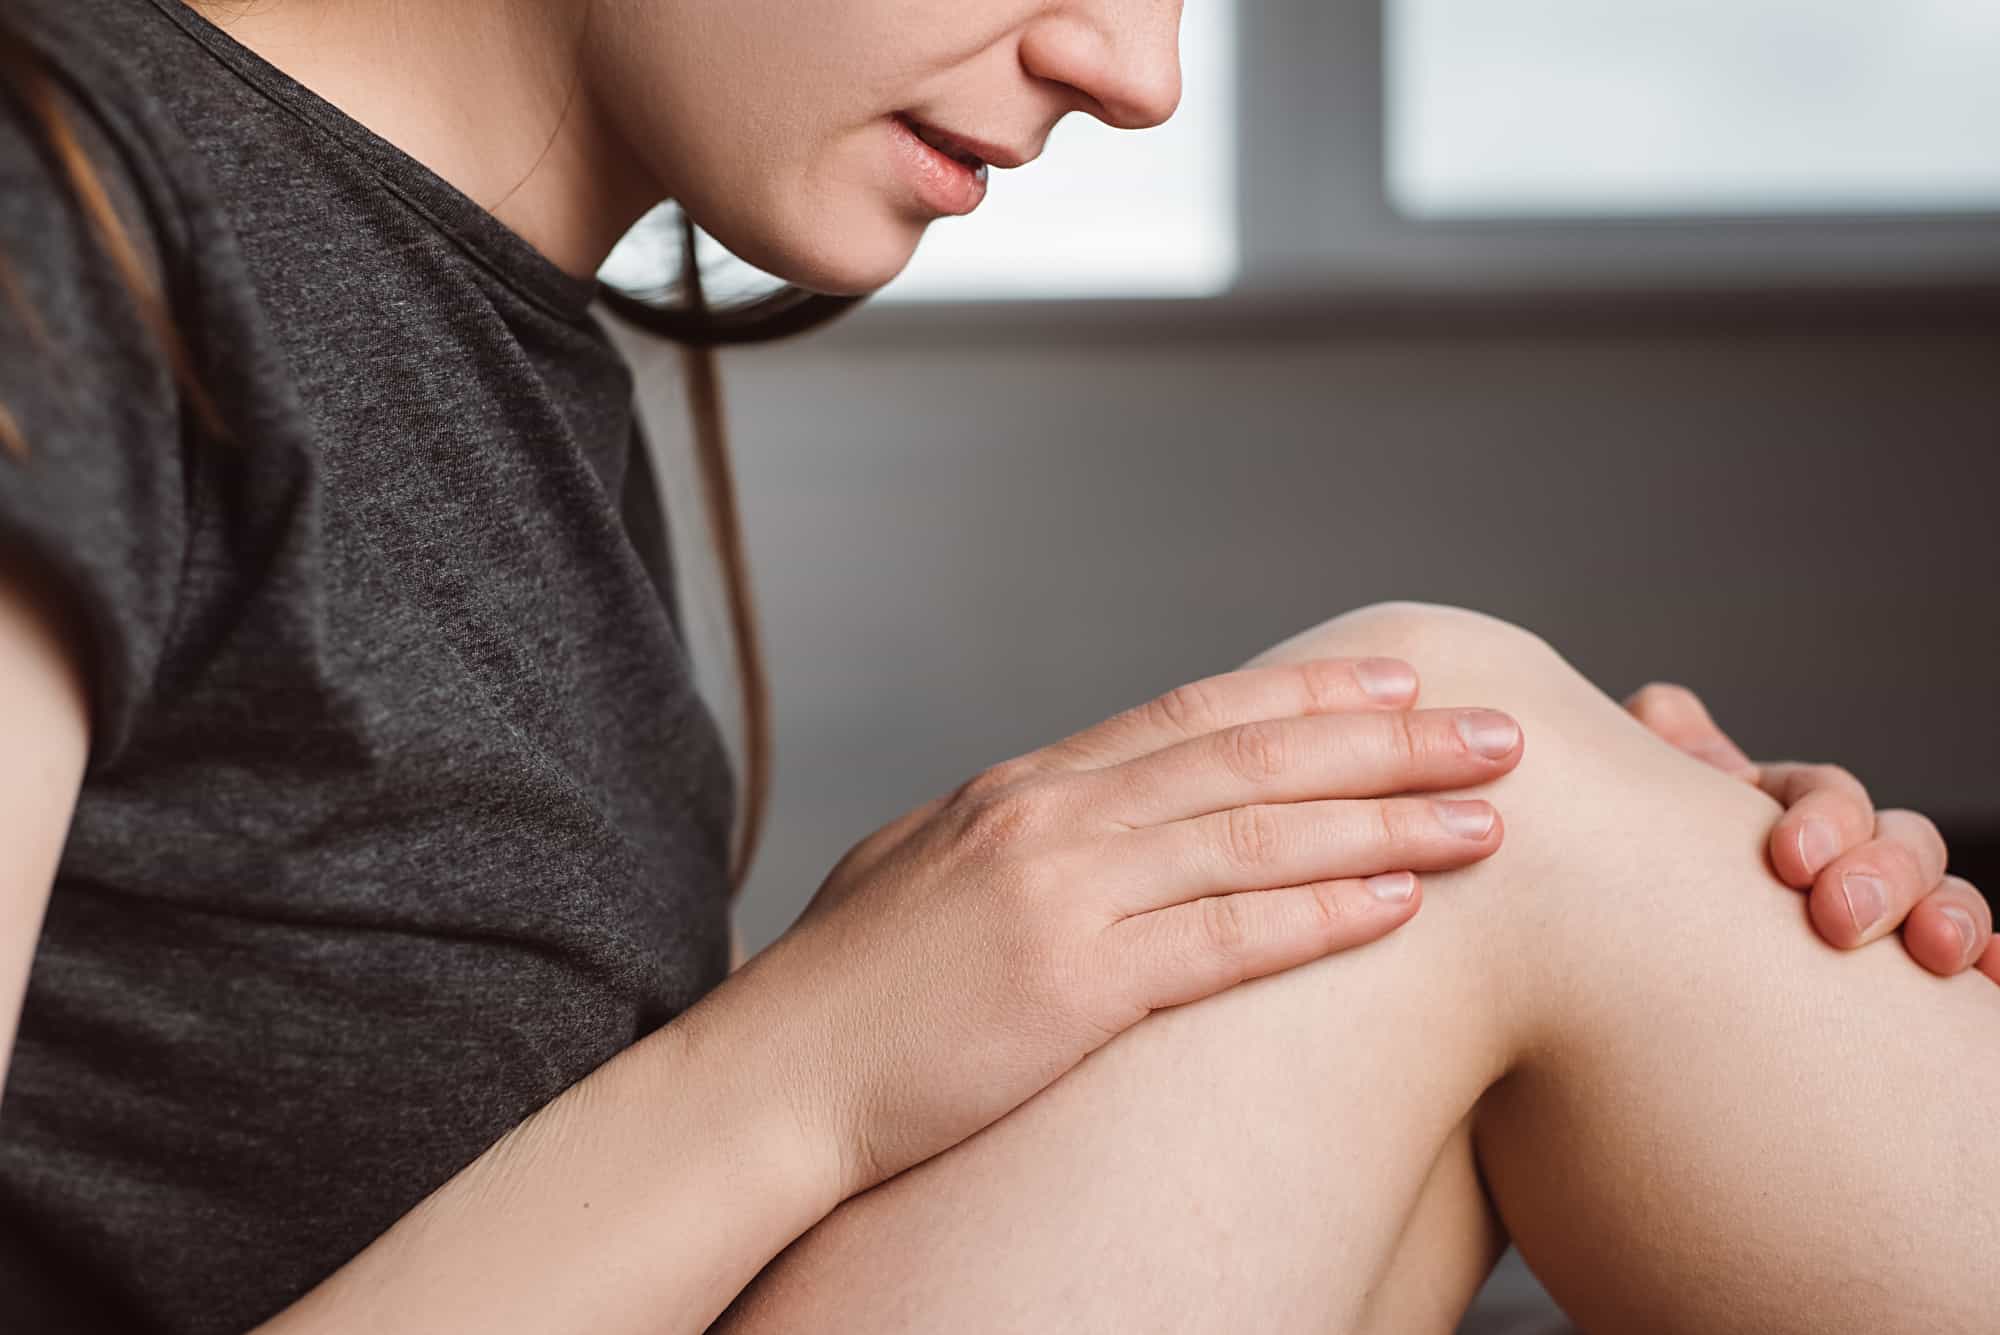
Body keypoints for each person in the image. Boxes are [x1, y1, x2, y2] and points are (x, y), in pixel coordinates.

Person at [0, 1, 1990, 1332]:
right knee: (1465, 785)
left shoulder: (474, 328)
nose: (1136, 71)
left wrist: (1683, 921)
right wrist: (802, 1063)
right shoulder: (57, 203)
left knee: (1450, 815)